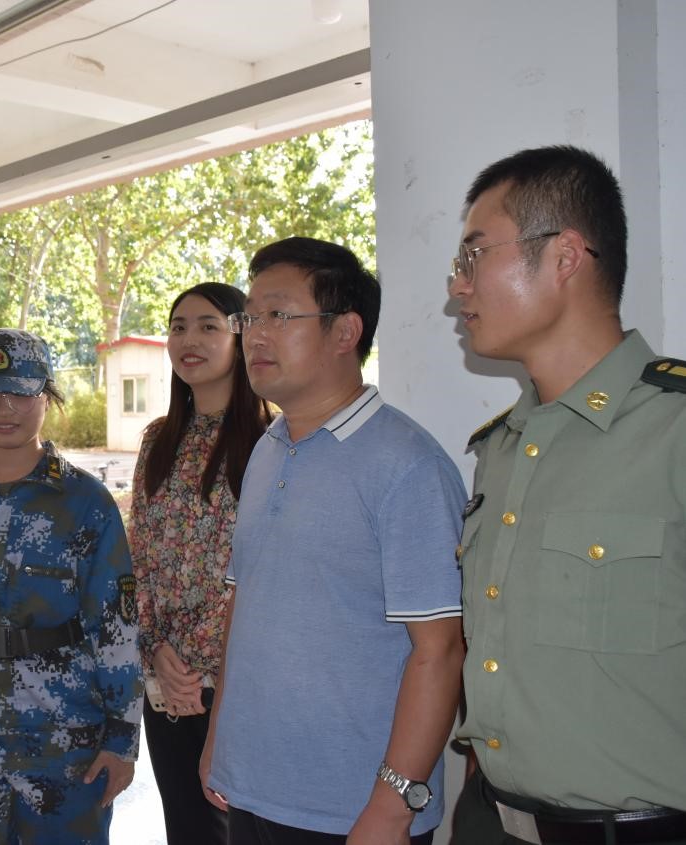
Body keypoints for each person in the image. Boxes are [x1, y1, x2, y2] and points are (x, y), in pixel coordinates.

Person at [447, 145, 686, 845]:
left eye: (473, 256)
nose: (457, 286)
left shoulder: (672, 429)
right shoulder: (499, 448)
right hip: (491, 820)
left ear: (564, 256)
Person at [200, 237, 467, 845]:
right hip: (251, 786)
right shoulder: (268, 449)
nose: (255, 336)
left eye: (278, 315)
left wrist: (392, 807)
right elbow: (244, 606)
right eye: (249, 318)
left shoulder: (408, 466)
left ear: (345, 331)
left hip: (353, 810)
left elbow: (440, 651)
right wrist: (220, 739)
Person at [0, 328, 143, 845]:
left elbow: (116, 627)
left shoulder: (85, 502)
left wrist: (122, 737)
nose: (4, 408)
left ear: (47, 397)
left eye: (20, 393)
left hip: (66, 736)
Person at [129, 282, 270, 845]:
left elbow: (262, 566)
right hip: (166, 679)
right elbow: (139, 555)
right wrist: (157, 651)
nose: (189, 340)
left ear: (241, 336)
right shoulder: (157, 439)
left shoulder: (272, 438)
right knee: (188, 829)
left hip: (240, 677)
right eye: (178, 327)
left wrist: (202, 669)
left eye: (208, 326)